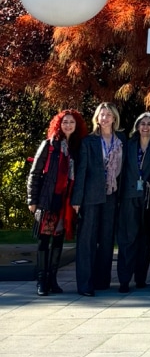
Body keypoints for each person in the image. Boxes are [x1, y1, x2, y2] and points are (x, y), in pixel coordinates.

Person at [27, 109, 87, 296]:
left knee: (58, 241)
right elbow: (35, 173)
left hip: (66, 202)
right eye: (65, 122)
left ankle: (53, 279)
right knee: (44, 241)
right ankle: (41, 280)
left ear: (77, 126)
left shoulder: (77, 148)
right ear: (58, 124)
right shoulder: (49, 145)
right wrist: (32, 200)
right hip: (47, 200)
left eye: (72, 122)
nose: (68, 125)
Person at [71, 102, 127, 296]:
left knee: (106, 240)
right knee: (86, 241)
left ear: (114, 118)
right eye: (102, 115)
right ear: (97, 118)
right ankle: (85, 285)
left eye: (109, 115)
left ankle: (102, 281)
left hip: (112, 196)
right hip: (90, 197)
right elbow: (81, 171)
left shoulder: (121, 141)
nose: (105, 118)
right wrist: (76, 200)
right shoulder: (89, 142)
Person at [116, 112, 150, 293]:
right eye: (142, 123)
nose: (145, 127)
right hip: (129, 197)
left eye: (149, 124)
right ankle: (124, 279)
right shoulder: (128, 145)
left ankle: (141, 277)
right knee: (128, 239)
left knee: (145, 240)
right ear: (137, 126)